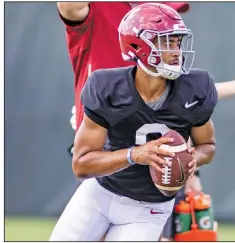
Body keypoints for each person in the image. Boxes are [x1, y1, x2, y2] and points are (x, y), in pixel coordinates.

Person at [50, 3, 218, 241]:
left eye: (177, 42)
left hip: (149, 208)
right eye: (166, 42)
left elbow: (208, 146)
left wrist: (192, 159)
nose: (176, 51)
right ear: (138, 46)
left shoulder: (195, 88)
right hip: (101, 194)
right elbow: (81, 164)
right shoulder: (107, 87)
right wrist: (134, 155)